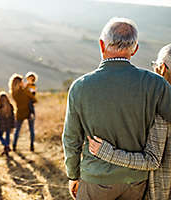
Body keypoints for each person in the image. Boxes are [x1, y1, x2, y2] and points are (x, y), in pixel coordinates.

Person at [62, 17, 171, 200]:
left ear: (101, 45)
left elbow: (71, 139)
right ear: (135, 49)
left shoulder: (80, 87)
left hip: (95, 180)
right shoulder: (156, 84)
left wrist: (73, 175)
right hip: (136, 182)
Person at [88, 43, 171, 200]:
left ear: (162, 68)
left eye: (155, 65)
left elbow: (152, 161)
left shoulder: (160, 110)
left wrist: (106, 152)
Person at [9, 73, 37, 152]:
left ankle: (14, 145)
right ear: (20, 82)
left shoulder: (13, 93)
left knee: (17, 130)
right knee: (31, 130)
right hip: (29, 112)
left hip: (19, 112)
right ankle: (32, 146)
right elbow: (34, 99)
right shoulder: (25, 91)